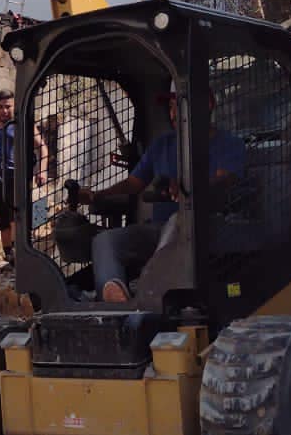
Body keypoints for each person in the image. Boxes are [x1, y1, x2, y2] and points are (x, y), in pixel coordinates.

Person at [81, 83, 246, 303]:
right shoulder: (162, 145)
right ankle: (114, 298)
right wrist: (97, 195)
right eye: (170, 106)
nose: (174, 113)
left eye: (180, 104)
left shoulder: (229, 144)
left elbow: (224, 179)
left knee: (179, 221)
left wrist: (188, 186)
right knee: (105, 241)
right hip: (159, 230)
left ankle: (149, 294)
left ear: (207, 104)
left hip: (207, 229)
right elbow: (133, 184)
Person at [0, 90, 47, 262]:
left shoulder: (22, 124)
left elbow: (42, 147)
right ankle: (9, 256)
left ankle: (21, 253)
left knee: (17, 216)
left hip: (17, 180)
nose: (4, 111)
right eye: (0, 107)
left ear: (14, 106)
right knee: (1, 219)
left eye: (8, 107)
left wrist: (42, 170)